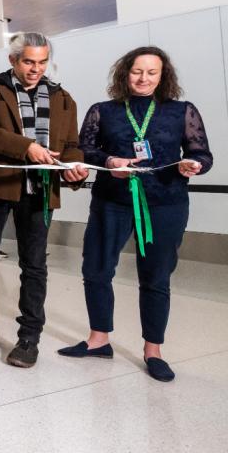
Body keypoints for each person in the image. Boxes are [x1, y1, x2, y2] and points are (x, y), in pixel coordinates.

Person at [59, 46, 212, 382]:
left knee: (156, 277)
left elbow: (202, 152)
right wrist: (110, 162)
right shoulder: (103, 111)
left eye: (151, 72)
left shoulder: (181, 111)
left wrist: (194, 165)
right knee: (96, 269)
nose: (143, 78)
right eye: (137, 71)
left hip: (166, 203)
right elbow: (85, 150)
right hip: (111, 201)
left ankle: (153, 350)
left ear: (163, 76)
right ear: (124, 73)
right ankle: (99, 340)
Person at [0, 33, 89, 368]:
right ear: (13, 61)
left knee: (34, 265)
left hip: (40, 190)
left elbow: (72, 143)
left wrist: (74, 168)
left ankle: (29, 336)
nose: (36, 68)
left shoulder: (63, 99)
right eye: (29, 61)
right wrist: (25, 147)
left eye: (42, 62)